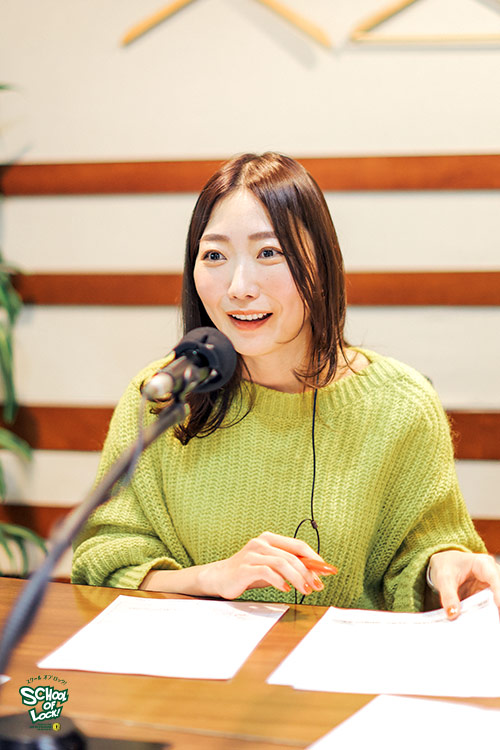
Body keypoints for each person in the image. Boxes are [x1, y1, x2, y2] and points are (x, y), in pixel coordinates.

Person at [72, 152, 500, 619]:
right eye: (214, 255)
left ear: (321, 263)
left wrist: (444, 567)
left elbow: (424, 557)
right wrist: (211, 579)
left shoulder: (400, 403)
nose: (239, 286)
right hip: (189, 663)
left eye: (269, 253)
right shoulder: (164, 392)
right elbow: (103, 558)